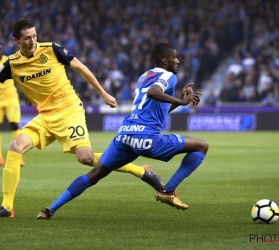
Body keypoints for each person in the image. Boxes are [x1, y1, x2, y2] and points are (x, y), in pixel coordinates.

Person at [0, 19, 163, 218]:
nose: (32, 41)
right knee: (15, 147)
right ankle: (7, 207)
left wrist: (103, 93)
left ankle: (141, 170)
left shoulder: (51, 49)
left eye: (34, 36)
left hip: (69, 111)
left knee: (85, 158)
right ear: (16, 41)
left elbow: (81, 68)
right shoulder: (12, 64)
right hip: (46, 117)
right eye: (26, 38)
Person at [36, 43, 209, 220]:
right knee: (202, 146)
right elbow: (153, 93)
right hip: (146, 138)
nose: (178, 60)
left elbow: (155, 110)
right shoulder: (168, 76)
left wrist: (178, 100)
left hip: (125, 135)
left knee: (94, 175)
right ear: (165, 60)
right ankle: (168, 190)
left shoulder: (144, 76)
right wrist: (182, 102)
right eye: (175, 57)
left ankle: (49, 209)